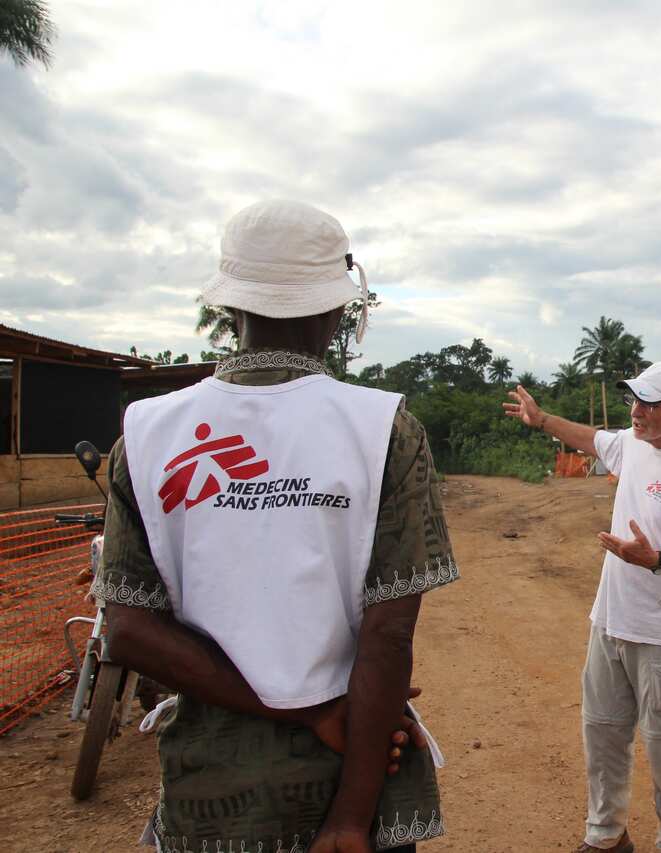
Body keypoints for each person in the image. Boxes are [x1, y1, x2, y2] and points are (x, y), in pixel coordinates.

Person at [98, 199, 457, 853]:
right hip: (354, 776)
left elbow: (126, 632)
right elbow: (387, 638)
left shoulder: (145, 435)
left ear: (229, 309)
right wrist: (348, 821)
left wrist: (303, 707)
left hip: (211, 794)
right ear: (337, 309)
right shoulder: (382, 429)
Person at [504, 362, 661, 853]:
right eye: (635, 400)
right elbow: (592, 440)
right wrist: (542, 418)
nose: (636, 411)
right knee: (603, 735)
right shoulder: (634, 443)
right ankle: (606, 835)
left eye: (650, 403)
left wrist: (652, 559)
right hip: (610, 621)